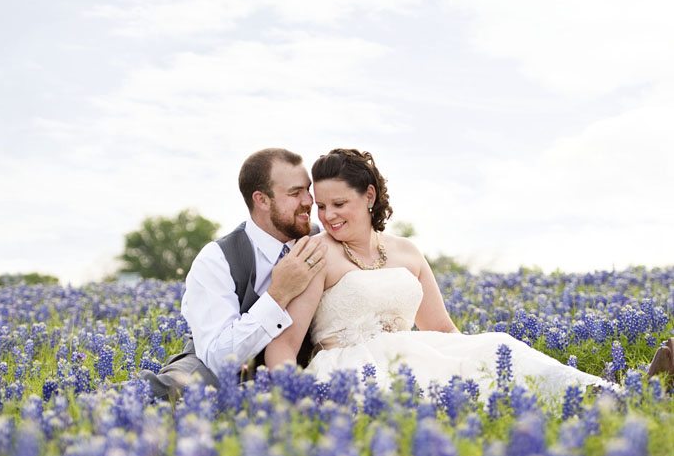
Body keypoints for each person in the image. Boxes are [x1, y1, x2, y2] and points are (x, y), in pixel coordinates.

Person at [264, 148, 674, 400]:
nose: (327, 215)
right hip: (351, 371)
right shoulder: (314, 254)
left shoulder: (408, 252)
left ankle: (619, 395)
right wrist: (296, 396)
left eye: (339, 203)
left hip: (417, 353)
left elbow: (443, 331)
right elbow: (283, 347)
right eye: (321, 206)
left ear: (368, 196)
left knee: (497, 346)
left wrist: (476, 357)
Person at [141, 148, 326, 399]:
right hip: (222, 365)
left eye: (308, 189)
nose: (308, 201)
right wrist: (278, 294)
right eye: (295, 193)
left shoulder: (322, 240)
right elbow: (219, 358)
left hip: (301, 362)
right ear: (261, 200)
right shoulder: (216, 259)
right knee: (167, 391)